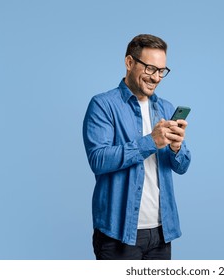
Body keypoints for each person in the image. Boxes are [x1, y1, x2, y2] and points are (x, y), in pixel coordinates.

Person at [82, 34, 191, 260]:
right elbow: (98, 159)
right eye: (150, 68)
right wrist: (150, 142)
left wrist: (176, 148)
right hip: (119, 234)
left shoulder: (165, 107)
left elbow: (181, 167)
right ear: (129, 63)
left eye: (162, 71)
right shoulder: (103, 105)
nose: (156, 77)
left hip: (162, 233)